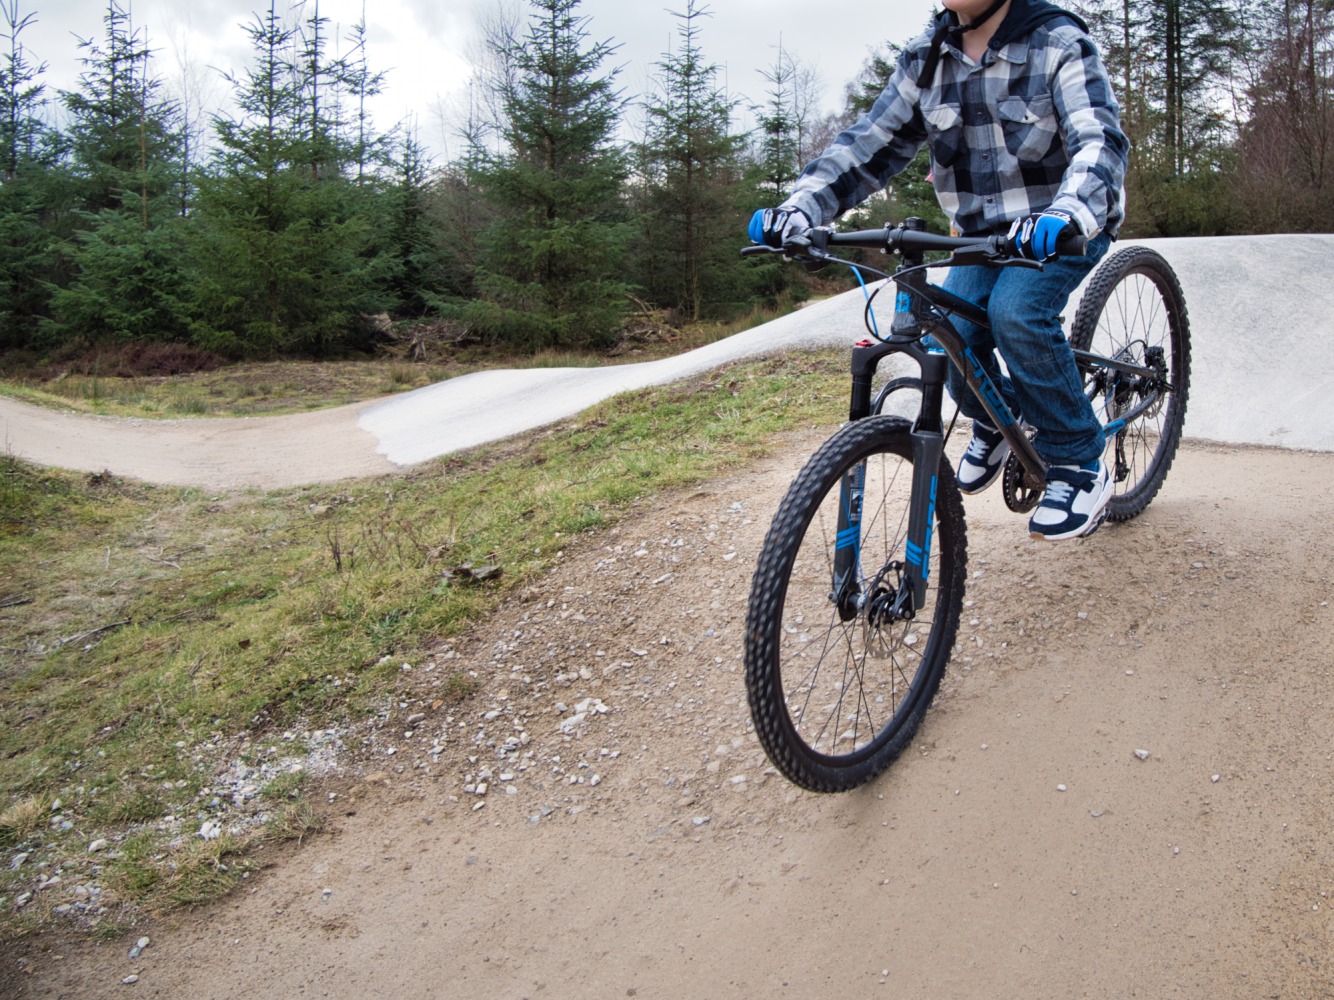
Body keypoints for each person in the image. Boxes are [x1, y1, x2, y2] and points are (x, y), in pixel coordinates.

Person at [749, 0, 1130, 541]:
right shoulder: (925, 60)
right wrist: (801, 207)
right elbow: (867, 146)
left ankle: (1075, 459)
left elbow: (1099, 140)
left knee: (1016, 313)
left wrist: (1067, 212)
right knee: (946, 336)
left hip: (1062, 227)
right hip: (980, 238)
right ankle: (998, 419)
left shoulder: (1058, 43)